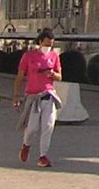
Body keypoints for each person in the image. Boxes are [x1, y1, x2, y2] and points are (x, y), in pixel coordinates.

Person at [12, 28, 64, 167]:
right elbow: (20, 76)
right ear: (40, 42)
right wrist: (16, 95)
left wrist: (52, 74)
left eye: (51, 45)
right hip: (33, 96)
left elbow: (60, 76)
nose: (48, 47)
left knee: (48, 125)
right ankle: (26, 144)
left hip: (48, 94)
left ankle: (43, 155)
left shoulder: (54, 56)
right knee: (32, 128)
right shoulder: (29, 56)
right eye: (46, 44)